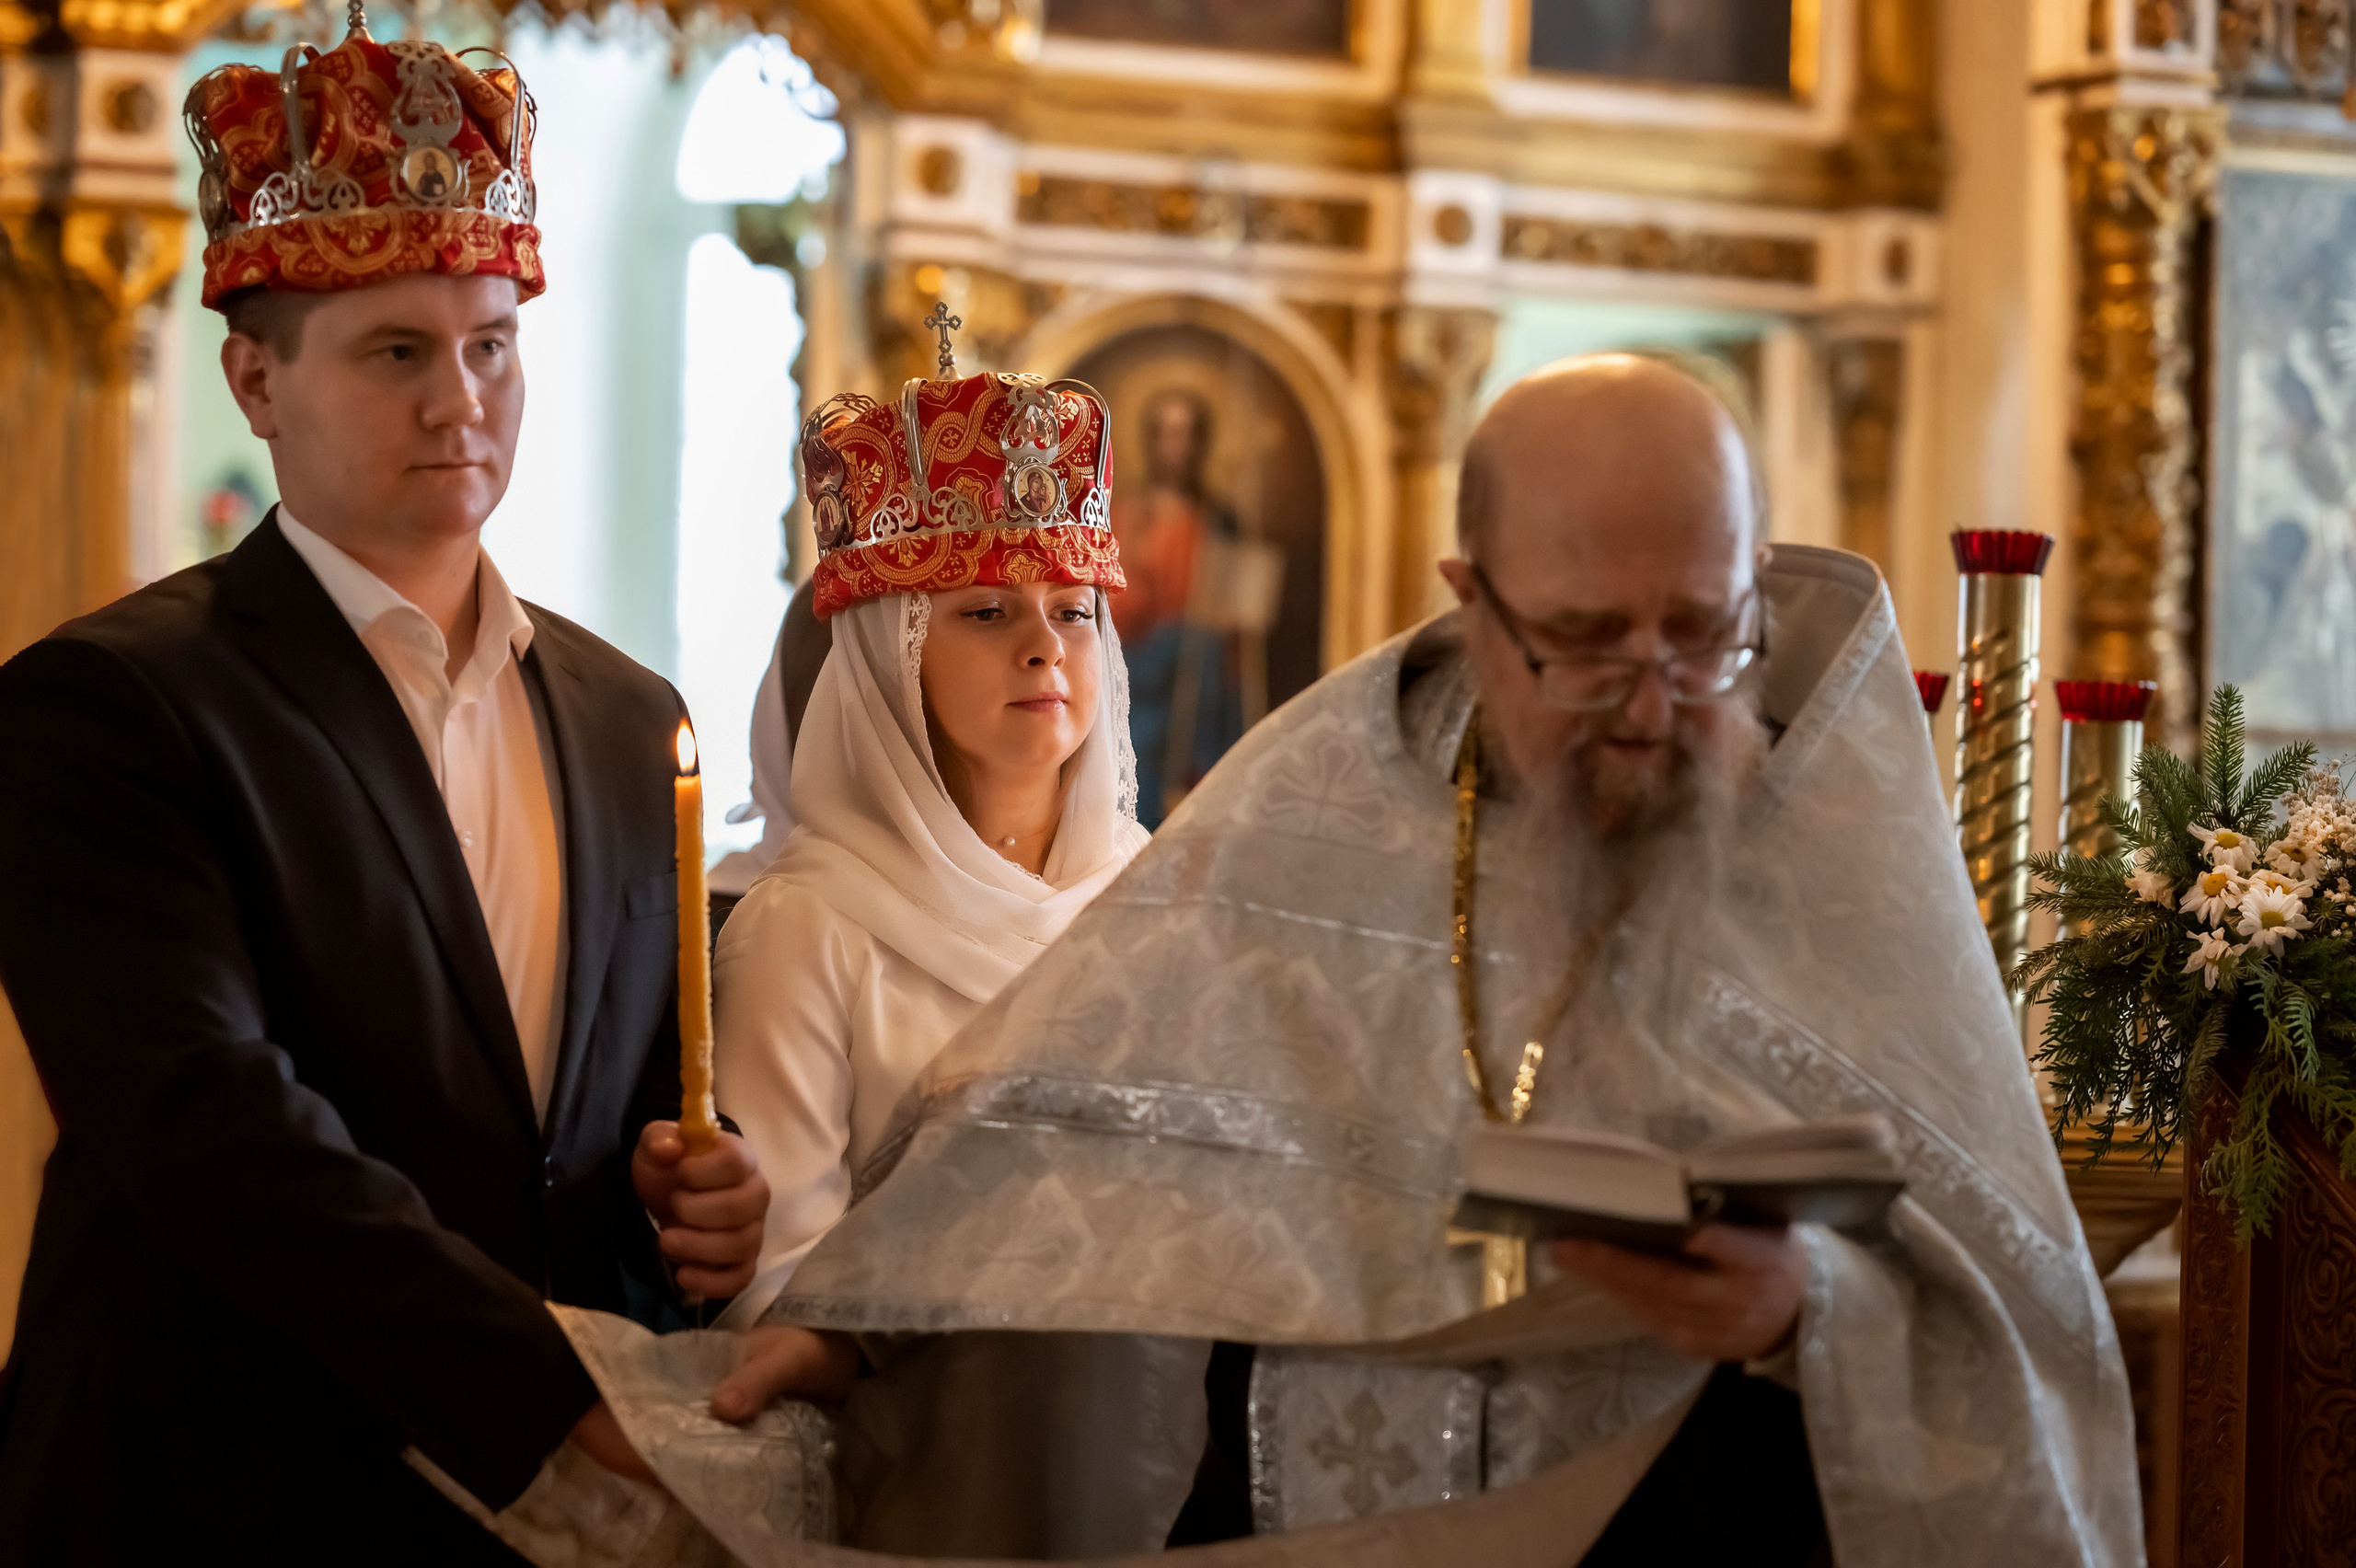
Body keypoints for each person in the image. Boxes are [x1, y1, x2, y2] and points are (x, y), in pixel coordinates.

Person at [690, 352, 2141, 1563]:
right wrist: (868, 1335)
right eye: (1583, 641)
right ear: (1473, 598)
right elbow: (1092, 1127)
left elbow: (2019, 1306)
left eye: (1704, 634)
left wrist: (1807, 1311)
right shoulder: (1305, 808)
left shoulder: (1848, 850)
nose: (1650, 701)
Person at [0, 17, 767, 1562]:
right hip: (216, 1489)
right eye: (396, 352)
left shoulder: (632, 719)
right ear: (255, 379)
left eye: (491, 345)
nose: (459, 402)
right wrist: (552, 1387)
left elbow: (620, 1094)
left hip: (538, 1525)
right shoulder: (112, 706)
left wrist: (705, 1186)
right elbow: (212, 1129)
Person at [704, 363, 1147, 1350]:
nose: (1045, 646)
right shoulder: (807, 929)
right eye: (987, 612)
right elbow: (778, 1284)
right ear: (888, 658)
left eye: (1073, 610)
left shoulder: (1152, 900)